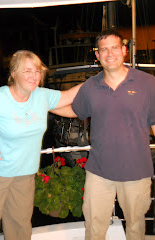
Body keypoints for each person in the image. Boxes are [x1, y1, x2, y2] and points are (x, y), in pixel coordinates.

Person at [52, 29, 155, 240]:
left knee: (135, 226)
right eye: (104, 49)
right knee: (94, 227)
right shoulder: (91, 86)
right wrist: (43, 106)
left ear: (124, 51)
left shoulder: (148, 83)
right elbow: (75, 110)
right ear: (97, 55)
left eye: (114, 48)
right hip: (99, 171)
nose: (110, 54)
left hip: (136, 170)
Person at [0, 50, 82, 240]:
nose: (34, 76)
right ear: (13, 73)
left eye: (37, 71)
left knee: (20, 226)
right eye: (27, 71)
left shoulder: (41, 96)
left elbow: (69, 97)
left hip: (24, 174)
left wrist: (99, 81)